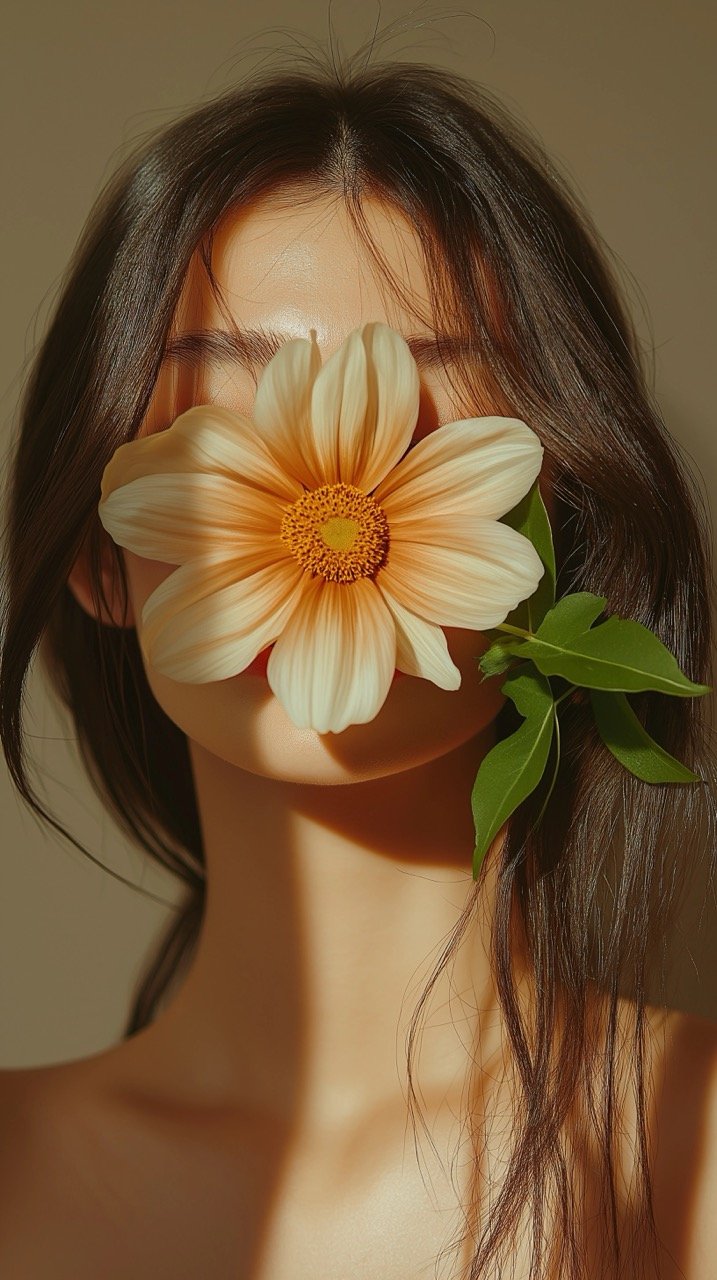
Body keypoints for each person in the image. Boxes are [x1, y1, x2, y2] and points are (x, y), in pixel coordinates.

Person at [1, 45, 716, 1280]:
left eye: (427, 411)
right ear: (102, 551)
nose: (340, 475)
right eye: (226, 411)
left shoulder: (695, 1143)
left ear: (566, 538)